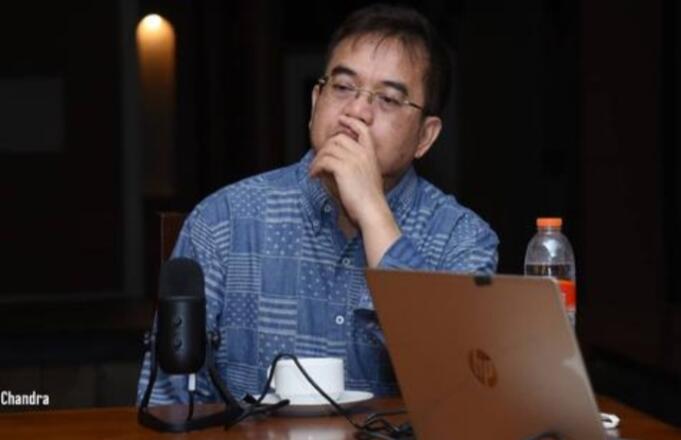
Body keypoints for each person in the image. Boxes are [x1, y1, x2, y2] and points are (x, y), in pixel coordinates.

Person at [137, 3, 498, 405]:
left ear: (425, 137)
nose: (356, 111)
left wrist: (373, 212)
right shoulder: (223, 221)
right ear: (315, 102)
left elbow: (460, 395)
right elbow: (168, 405)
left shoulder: (462, 239)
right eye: (342, 87)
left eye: (388, 99)